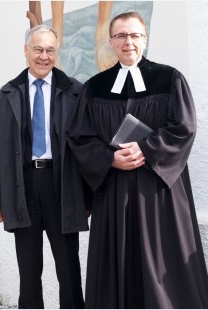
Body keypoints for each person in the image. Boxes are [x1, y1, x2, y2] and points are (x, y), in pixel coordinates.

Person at [66, 11, 208, 309]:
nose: (128, 42)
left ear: (145, 39)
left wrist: (148, 149)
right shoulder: (95, 87)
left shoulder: (169, 79)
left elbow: (184, 127)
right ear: (111, 42)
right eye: (121, 36)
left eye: (134, 35)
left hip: (158, 193)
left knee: (161, 262)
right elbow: (80, 137)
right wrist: (109, 159)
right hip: (115, 191)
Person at [0, 24, 90, 309]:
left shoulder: (76, 92)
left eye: (50, 50)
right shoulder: (7, 94)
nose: (44, 56)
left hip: (63, 185)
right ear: (26, 51)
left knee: (69, 269)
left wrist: (88, 196)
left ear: (57, 53)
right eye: (38, 49)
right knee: (29, 270)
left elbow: (87, 147)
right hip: (24, 187)